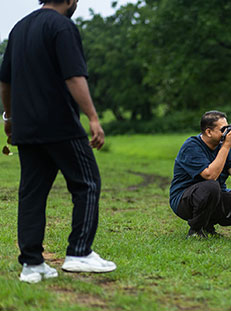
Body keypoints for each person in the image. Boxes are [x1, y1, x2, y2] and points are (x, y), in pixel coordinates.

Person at [0, 0, 116, 283]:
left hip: (26, 128)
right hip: (59, 124)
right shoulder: (62, 27)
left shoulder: (19, 29)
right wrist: (93, 117)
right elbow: (74, 76)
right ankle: (79, 253)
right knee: (86, 183)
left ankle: (32, 265)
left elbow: (5, 82)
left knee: (32, 194)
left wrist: (10, 120)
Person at [169, 111, 231, 238]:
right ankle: (196, 230)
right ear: (208, 132)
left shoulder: (223, 146)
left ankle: (208, 224)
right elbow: (210, 176)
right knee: (212, 186)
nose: (227, 133)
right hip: (184, 200)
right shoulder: (191, 146)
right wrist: (226, 146)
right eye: (223, 129)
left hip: (214, 195)